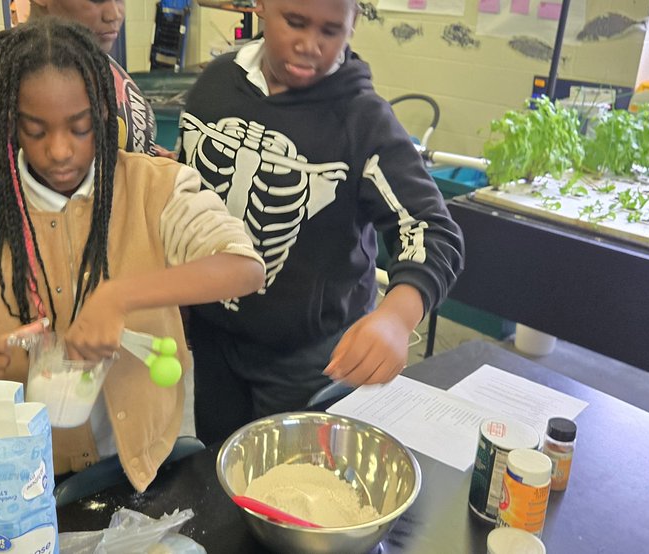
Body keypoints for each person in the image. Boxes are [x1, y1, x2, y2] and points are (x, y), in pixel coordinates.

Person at [0, 18, 265, 491]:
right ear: (10, 124)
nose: (59, 151)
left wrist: (118, 296)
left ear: (103, 112)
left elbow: (242, 267)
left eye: (79, 128)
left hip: (143, 464)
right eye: (36, 130)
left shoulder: (155, 190)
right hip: (29, 476)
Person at [178, 0, 465, 444]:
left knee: (295, 487)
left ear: (353, 26)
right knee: (218, 467)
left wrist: (396, 316)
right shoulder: (214, 85)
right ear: (261, 6)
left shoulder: (362, 120)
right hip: (215, 343)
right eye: (294, 22)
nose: (309, 44)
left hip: (309, 361)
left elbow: (430, 226)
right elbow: (186, 192)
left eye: (331, 31)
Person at [0, 0, 168, 181]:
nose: (113, 14)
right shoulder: (10, 83)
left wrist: (150, 165)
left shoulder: (86, 54)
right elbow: (26, 212)